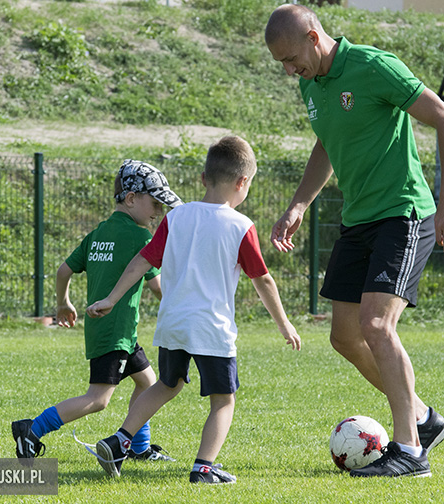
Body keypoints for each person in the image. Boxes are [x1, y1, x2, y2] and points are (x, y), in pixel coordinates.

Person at [264, 5, 444, 478]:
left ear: (314, 38)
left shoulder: (374, 66)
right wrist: (299, 203)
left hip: (404, 213)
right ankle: (422, 418)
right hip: (357, 220)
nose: (291, 71)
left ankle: (411, 452)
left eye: (292, 59)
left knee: (376, 325)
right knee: (345, 336)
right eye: (282, 65)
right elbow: (327, 143)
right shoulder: (310, 84)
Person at [86, 136, 302, 484]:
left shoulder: (177, 217)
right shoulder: (241, 226)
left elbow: (142, 261)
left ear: (203, 178)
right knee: (224, 401)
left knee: (167, 385)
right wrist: (284, 324)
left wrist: (111, 298)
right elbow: (262, 280)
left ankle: (119, 440)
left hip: (173, 322)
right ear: (242, 182)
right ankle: (204, 468)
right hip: (211, 329)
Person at [11, 159, 183, 461]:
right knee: (98, 399)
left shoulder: (98, 235)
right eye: (155, 204)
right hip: (114, 331)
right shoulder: (141, 237)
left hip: (116, 331)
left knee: (147, 382)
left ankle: (139, 448)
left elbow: (64, 270)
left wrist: (63, 303)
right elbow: (158, 288)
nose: (159, 213)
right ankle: (32, 429)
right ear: (131, 199)